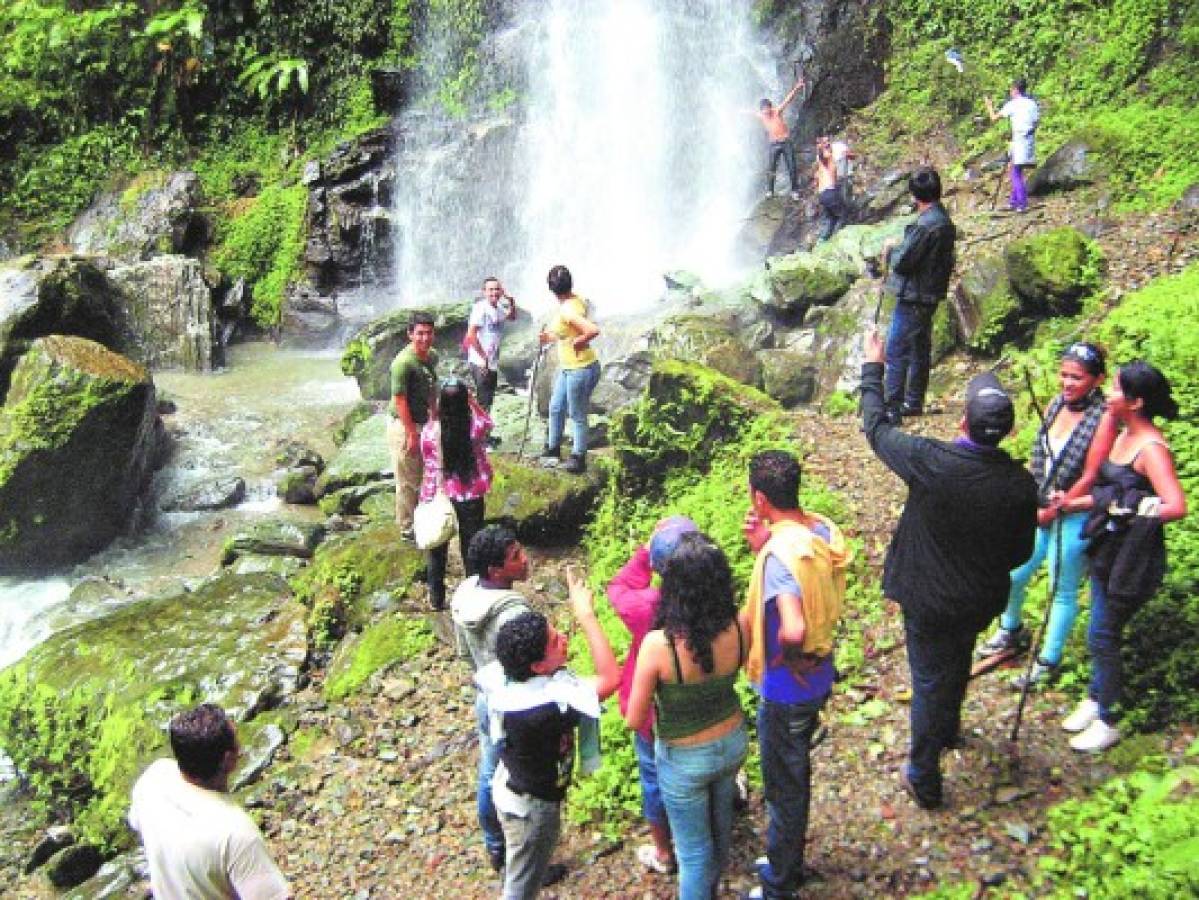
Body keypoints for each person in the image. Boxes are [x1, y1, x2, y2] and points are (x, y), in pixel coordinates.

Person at [860, 329, 1037, 808]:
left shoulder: (930, 461)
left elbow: (875, 428)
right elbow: (1020, 554)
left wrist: (873, 367)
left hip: (929, 599)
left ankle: (923, 771)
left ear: (962, 421)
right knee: (956, 661)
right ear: (1009, 432)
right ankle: (949, 728)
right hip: (978, 599)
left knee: (928, 678)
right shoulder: (1021, 486)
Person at [1058, 361, 1185, 752]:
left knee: (1102, 633)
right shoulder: (1121, 434)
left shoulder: (1150, 449)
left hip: (1133, 558)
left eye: (1115, 390)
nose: (1108, 396)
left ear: (1136, 401)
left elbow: (1176, 505)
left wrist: (1135, 512)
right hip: (1107, 550)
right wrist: (1072, 503)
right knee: (1100, 628)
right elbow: (1107, 493)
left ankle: (1109, 717)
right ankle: (1097, 698)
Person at [741, 450, 851, 900]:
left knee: (784, 785)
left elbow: (793, 626)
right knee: (794, 772)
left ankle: (779, 882)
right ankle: (785, 856)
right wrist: (766, 542)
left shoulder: (782, 557)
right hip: (819, 675)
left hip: (789, 689)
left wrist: (787, 656)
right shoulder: (818, 531)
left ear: (760, 497)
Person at [478, 570, 620, 899]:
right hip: (530, 807)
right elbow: (611, 678)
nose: (564, 639)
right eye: (555, 642)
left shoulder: (506, 680)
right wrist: (586, 615)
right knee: (521, 884)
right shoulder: (544, 710)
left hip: (511, 784)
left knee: (524, 866)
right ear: (538, 667)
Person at [626, 532, 748, 900]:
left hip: (684, 758)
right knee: (719, 833)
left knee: (693, 853)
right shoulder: (740, 625)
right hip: (731, 742)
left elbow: (635, 718)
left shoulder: (659, 646)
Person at [978, 342, 1109, 685]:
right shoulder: (1055, 405)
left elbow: (1092, 474)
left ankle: (1047, 660)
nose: (1067, 383)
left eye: (1076, 378)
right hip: (1040, 505)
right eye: (1064, 375)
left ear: (1096, 380)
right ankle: (1011, 628)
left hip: (1075, 510)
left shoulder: (1103, 418)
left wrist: (1058, 507)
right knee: (1015, 572)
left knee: (1060, 587)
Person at [607, 517, 700, 876]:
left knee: (654, 776)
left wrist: (646, 551)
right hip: (703, 711)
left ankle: (664, 851)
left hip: (654, 713)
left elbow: (618, 587)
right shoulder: (717, 602)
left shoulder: (646, 607)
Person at [128, 704, 290, 900]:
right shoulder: (236, 833)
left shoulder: (153, 779)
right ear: (228, 760)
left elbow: (136, 823)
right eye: (237, 739)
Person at [451, 526, 535, 873]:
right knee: (521, 779)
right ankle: (524, 855)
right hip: (516, 702)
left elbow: (464, 655)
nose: (525, 559)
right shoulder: (512, 614)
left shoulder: (466, 594)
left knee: (490, 769)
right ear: (495, 571)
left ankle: (495, 845)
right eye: (515, 557)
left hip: (486, 694)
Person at [878, 167, 956, 423]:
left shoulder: (924, 226)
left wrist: (891, 249)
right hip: (930, 295)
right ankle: (914, 400)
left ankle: (892, 407)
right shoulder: (944, 221)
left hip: (914, 297)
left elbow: (903, 262)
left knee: (896, 349)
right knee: (919, 348)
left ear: (914, 195)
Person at [419, 376, 493, 610]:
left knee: (437, 545)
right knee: (471, 543)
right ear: (465, 401)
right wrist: (472, 400)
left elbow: (425, 458)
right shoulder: (474, 428)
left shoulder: (431, 431)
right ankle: (473, 592)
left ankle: (436, 597)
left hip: (438, 492)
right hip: (470, 491)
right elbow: (487, 421)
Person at [538, 265, 601, 475]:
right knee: (556, 407)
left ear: (552, 289)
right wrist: (551, 337)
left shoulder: (567, 308)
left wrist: (580, 341)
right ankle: (553, 448)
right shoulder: (575, 300)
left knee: (576, 413)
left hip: (580, 369)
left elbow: (592, 330)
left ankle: (578, 457)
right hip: (569, 368)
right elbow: (568, 330)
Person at [388, 312, 439, 538]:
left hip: (423, 422)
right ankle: (407, 527)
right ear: (410, 334)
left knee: (425, 474)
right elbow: (400, 400)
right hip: (403, 425)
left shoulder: (431, 356)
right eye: (419, 333)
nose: (424, 338)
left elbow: (431, 387)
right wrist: (411, 434)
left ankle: (422, 518)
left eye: (428, 333)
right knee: (407, 480)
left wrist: (434, 417)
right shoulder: (403, 363)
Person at [985, 78, 1040, 213]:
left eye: (1011, 89)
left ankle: (1022, 203)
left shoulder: (1013, 104)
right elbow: (1036, 122)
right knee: (1017, 169)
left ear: (1015, 90)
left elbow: (994, 118)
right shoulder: (1032, 104)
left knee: (1015, 172)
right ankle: (1013, 201)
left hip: (1019, 140)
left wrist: (989, 106)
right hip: (1028, 139)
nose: (1010, 92)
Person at [465, 276, 518, 414]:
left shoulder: (498, 307)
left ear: (501, 291)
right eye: (490, 290)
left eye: (497, 289)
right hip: (480, 363)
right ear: (484, 291)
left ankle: (484, 433)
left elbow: (511, 317)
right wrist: (483, 359)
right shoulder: (480, 308)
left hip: (491, 362)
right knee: (483, 402)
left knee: (487, 401)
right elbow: (471, 335)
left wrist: (511, 302)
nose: (494, 292)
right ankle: (480, 435)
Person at [756, 76, 805, 200]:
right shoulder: (761, 116)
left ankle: (795, 190)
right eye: (763, 109)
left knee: (792, 166)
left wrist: (797, 87)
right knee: (771, 168)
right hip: (773, 144)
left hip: (785, 142)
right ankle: (770, 191)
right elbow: (749, 112)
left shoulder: (777, 111)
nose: (766, 111)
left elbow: (788, 100)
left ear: (770, 107)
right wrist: (738, 111)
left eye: (767, 108)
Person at [813, 137, 845, 241]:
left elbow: (816, 178)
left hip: (822, 194)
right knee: (842, 215)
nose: (828, 146)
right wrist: (820, 148)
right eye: (826, 145)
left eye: (828, 143)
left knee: (831, 218)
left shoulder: (821, 164)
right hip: (829, 192)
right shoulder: (827, 158)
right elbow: (822, 156)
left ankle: (824, 239)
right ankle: (838, 239)